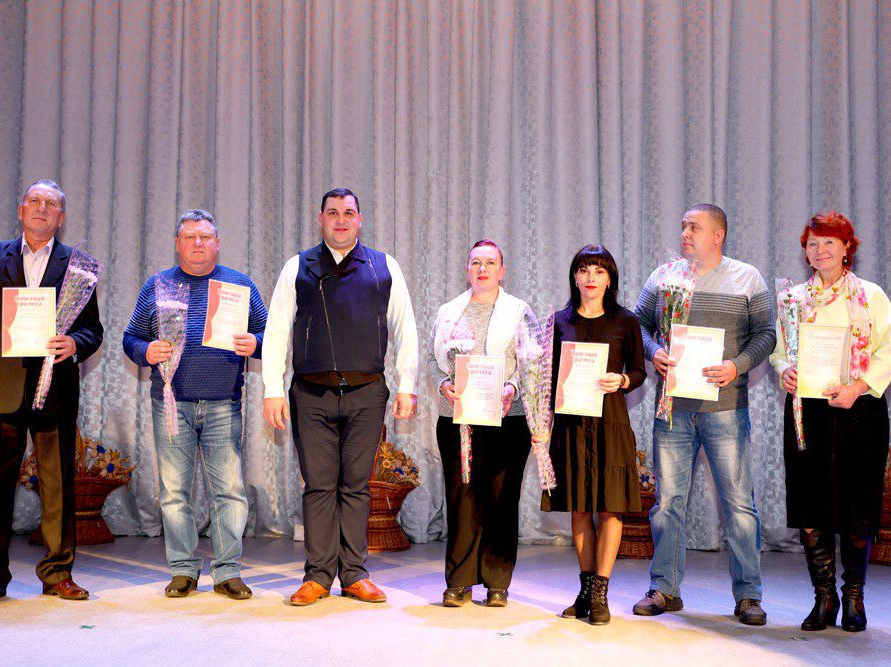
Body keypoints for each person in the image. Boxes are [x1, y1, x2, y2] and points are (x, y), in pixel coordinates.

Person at [262, 188, 418, 606]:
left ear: (360, 219)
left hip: (367, 392)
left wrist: (406, 385)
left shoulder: (384, 266)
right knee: (318, 486)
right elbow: (276, 331)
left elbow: (405, 329)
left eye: (349, 212)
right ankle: (317, 576)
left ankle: (354, 575)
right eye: (333, 212)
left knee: (356, 486)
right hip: (311, 393)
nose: (341, 220)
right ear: (321, 219)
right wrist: (273, 389)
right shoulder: (297, 267)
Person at [0, 180, 103, 606]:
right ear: (21, 210)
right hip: (2, 389)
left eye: (51, 204)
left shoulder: (78, 265)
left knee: (59, 487)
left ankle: (58, 573)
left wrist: (75, 343)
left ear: (61, 217)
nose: (42, 208)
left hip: (56, 390)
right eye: (34, 201)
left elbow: (93, 328)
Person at [633, 204, 775, 625]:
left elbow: (767, 334)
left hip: (725, 409)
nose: (685, 233)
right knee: (667, 503)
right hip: (673, 410)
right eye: (683, 226)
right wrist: (653, 351)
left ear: (718, 235)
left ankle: (748, 595)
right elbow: (637, 324)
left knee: (739, 505)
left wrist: (737, 365)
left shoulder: (747, 278)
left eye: (694, 227)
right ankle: (664, 588)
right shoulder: (664, 277)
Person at [123, 209, 267, 600]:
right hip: (171, 404)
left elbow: (269, 335)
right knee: (174, 493)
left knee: (230, 493)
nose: (198, 243)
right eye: (190, 237)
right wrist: (145, 351)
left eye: (205, 237)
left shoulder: (239, 284)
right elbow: (130, 338)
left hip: (224, 404)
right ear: (177, 244)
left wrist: (256, 343)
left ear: (217, 243)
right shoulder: (158, 285)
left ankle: (228, 572)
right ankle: (183, 569)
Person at [770, 211, 891, 632]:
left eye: (829, 242)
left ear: (847, 248)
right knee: (811, 504)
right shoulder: (793, 300)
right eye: (812, 243)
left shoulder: (871, 296)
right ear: (805, 252)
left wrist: (857, 387)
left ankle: (854, 597)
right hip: (807, 412)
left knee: (857, 506)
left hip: (858, 411)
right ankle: (823, 598)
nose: (820, 249)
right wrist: (785, 369)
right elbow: (780, 349)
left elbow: (887, 351)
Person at [540, 244, 646, 626]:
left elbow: (639, 371)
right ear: (574, 276)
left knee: (610, 508)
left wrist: (622, 380)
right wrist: (542, 424)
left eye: (599, 271)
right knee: (580, 507)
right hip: (570, 425)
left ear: (610, 279)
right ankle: (585, 590)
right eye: (584, 270)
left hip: (611, 423)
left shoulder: (626, 321)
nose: (591, 278)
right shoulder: (556, 322)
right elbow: (546, 377)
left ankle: (601, 592)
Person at [428, 239, 536, 608]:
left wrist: (512, 386)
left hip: (508, 419)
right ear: (467, 269)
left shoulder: (519, 311)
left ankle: (497, 582)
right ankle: (458, 581)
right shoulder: (449, 312)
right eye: (476, 262)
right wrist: (442, 384)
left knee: (501, 500)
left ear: (502, 271)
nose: (483, 269)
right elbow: (432, 358)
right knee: (462, 500)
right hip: (457, 419)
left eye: (490, 262)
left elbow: (532, 361)